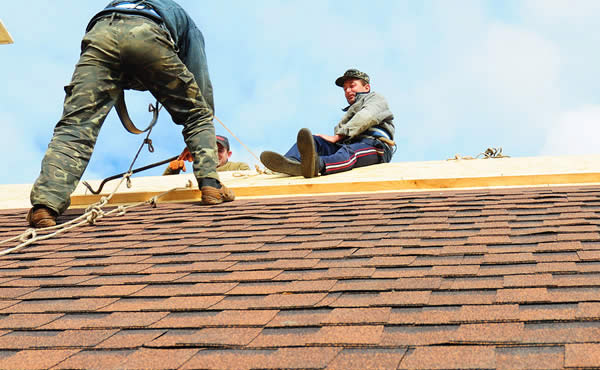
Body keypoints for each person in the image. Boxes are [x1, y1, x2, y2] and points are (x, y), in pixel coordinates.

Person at [27, 0, 234, 229]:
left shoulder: (120, 4)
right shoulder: (180, 16)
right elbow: (198, 76)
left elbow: (118, 56)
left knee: (76, 127)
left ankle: (45, 205)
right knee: (198, 113)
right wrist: (201, 138)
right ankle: (211, 185)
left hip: (100, 34)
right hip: (147, 33)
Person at [261, 69, 395, 179]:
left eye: (352, 85)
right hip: (349, 143)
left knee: (349, 153)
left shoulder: (376, 99)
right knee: (316, 140)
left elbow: (367, 116)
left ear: (366, 87)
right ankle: (291, 163)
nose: (347, 91)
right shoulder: (349, 114)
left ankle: (316, 165)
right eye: (345, 89)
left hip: (375, 147)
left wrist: (339, 135)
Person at [163, 134, 250, 174]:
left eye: (220, 150)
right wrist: (172, 171)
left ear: (229, 154)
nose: (215, 154)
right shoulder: (199, 171)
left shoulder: (240, 167)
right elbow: (162, 191)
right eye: (212, 150)